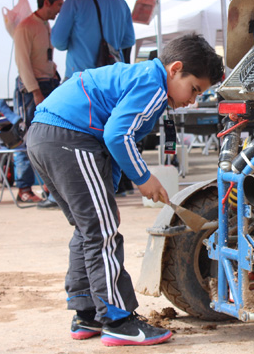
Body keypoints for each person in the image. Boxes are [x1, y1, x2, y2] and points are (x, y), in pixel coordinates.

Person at [26, 34, 223, 346]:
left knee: (90, 228)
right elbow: (118, 136)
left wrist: (114, 191)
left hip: (44, 137)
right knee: (101, 232)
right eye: (194, 89)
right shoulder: (153, 86)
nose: (193, 100)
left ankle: (87, 312)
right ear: (175, 69)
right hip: (69, 137)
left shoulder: (139, 78)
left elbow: (113, 144)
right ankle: (118, 319)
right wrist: (144, 178)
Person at [13, 0, 66, 206]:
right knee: (28, 136)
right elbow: (23, 63)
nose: (59, 11)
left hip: (47, 83)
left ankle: (47, 187)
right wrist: (35, 91)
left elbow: (44, 56)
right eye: (58, 5)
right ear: (46, 3)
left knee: (49, 137)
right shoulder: (25, 27)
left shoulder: (46, 25)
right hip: (32, 89)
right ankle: (24, 188)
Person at [51, 0, 135, 79]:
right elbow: (129, 40)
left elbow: (58, 42)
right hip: (112, 76)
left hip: (81, 76)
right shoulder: (120, 2)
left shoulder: (74, 2)